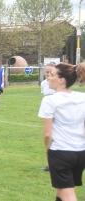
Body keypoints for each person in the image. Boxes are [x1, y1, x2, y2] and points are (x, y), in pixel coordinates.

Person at [38, 63, 85, 201]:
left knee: (68, 195)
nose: (48, 78)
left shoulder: (49, 100)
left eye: (52, 75)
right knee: (61, 191)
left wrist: (48, 153)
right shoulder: (82, 97)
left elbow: (47, 134)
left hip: (60, 152)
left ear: (61, 80)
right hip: (81, 153)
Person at [40, 63, 56, 171]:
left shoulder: (59, 83)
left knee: (55, 136)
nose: (49, 74)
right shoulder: (43, 84)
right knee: (48, 135)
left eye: (51, 72)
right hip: (47, 110)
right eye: (47, 72)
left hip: (57, 109)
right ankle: (49, 164)